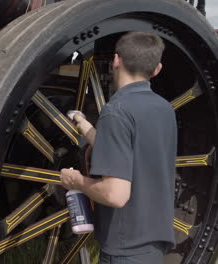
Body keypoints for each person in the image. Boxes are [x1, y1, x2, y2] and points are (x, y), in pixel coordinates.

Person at [59, 32, 177, 264]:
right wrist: (85, 126)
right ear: (157, 69)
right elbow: (130, 152)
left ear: (116, 60)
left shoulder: (117, 111)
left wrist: (75, 181)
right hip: (153, 246)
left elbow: (115, 194)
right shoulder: (165, 109)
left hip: (124, 250)